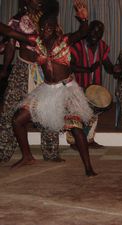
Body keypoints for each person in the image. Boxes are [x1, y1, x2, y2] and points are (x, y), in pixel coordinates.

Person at [3, 0, 97, 176]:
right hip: (47, 90)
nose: (46, 29)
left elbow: (83, 32)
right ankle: (27, 156)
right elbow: (10, 32)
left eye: (50, 27)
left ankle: (89, 167)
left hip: (67, 90)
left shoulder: (65, 41)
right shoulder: (36, 41)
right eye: (43, 26)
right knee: (17, 120)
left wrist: (84, 19)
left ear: (56, 28)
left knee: (75, 128)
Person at [0, 0, 63, 163]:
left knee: (49, 109)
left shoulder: (49, 21)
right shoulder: (17, 20)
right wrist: (5, 68)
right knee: (9, 108)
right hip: (23, 68)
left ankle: (51, 153)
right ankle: (3, 151)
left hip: (44, 70)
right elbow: (11, 46)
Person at [67, 20, 117, 150]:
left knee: (93, 115)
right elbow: (70, 66)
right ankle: (74, 142)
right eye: (94, 30)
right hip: (77, 86)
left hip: (94, 87)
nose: (96, 34)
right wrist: (88, 69)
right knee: (77, 114)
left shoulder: (102, 46)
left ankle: (89, 140)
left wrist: (115, 69)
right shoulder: (77, 45)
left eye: (100, 32)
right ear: (88, 30)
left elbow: (108, 66)